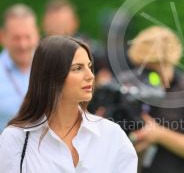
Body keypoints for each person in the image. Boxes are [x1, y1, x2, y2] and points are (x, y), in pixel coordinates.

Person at [0, 36, 137, 172]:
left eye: (90, 67)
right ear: (51, 76)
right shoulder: (16, 138)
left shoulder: (112, 135)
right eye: (78, 68)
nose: (90, 75)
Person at [119, 26, 184, 173]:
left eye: (154, 70)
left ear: (170, 61)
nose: (148, 77)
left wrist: (159, 135)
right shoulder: (125, 84)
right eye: (143, 68)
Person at [42, 0, 111, 84]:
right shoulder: (34, 51)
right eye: (54, 24)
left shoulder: (89, 50)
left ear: (75, 23)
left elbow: (104, 76)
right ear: (44, 24)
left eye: (63, 24)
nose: (59, 30)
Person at [0, 4, 39, 132]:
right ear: (2, 37)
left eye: (27, 37)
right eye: (16, 38)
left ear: (37, 35)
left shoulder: (52, 68)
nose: (23, 45)